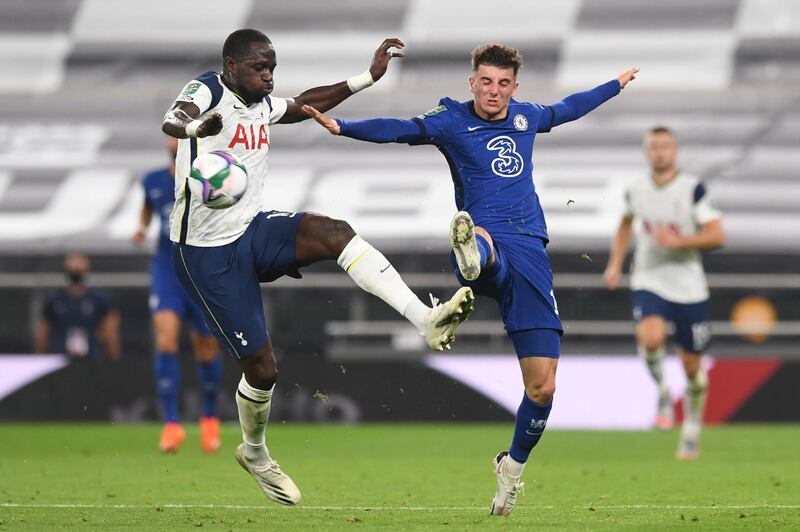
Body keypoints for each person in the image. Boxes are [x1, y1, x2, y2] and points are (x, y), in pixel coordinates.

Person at [303, 43, 638, 516]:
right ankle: (472, 256)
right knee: (481, 245)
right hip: (489, 237)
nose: (494, 91)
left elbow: (568, 109)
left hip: (531, 254)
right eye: (486, 81)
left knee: (542, 387)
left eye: (503, 83)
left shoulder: (525, 118)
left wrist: (614, 85)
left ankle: (511, 469)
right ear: (472, 82)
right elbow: (402, 130)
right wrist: (345, 127)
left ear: (514, 87)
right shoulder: (451, 120)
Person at [161, 29, 474, 506]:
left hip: (251, 231)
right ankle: (255, 453)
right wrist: (194, 130)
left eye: (273, 68)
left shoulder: (262, 104)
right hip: (204, 253)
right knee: (264, 371)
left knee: (334, 231)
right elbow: (172, 119)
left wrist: (367, 78)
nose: (269, 76)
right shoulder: (207, 89)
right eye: (259, 67)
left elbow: (304, 103)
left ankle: (425, 321)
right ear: (231, 66)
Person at [603, 126, 725, 460]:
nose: (659, 152)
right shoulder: (636, 190)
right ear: (647, 152)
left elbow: (717, 235)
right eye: (653, 146)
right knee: (651, 337)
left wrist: (681, 241)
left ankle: (692, 429)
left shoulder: (692, 189)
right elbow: (626, 222)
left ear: (675, 151)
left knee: (693, 370)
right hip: (649, 278)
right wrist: (615, 263)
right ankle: (662, 391)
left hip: (688, 285)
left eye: (665, 146)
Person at [133, 136, 224, 454]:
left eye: (180, 135)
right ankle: (171, 425)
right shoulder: (153, 180)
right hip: (166, 270)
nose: (173, 139)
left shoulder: (208, 177)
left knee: (206, 347)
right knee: (166, 341)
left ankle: (209, 420)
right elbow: (148, 208)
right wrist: (141, 228)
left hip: (198, 270)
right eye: (171, 134)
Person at [35, 253, 121, 360]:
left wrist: (113, 359)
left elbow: (110, 332)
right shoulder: (54, 300)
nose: (76, 273)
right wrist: (41, 359)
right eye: (73, 270)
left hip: (91, 360)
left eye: (79, 270)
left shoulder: (99, 300)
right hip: (60, 360)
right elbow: (43, 333)